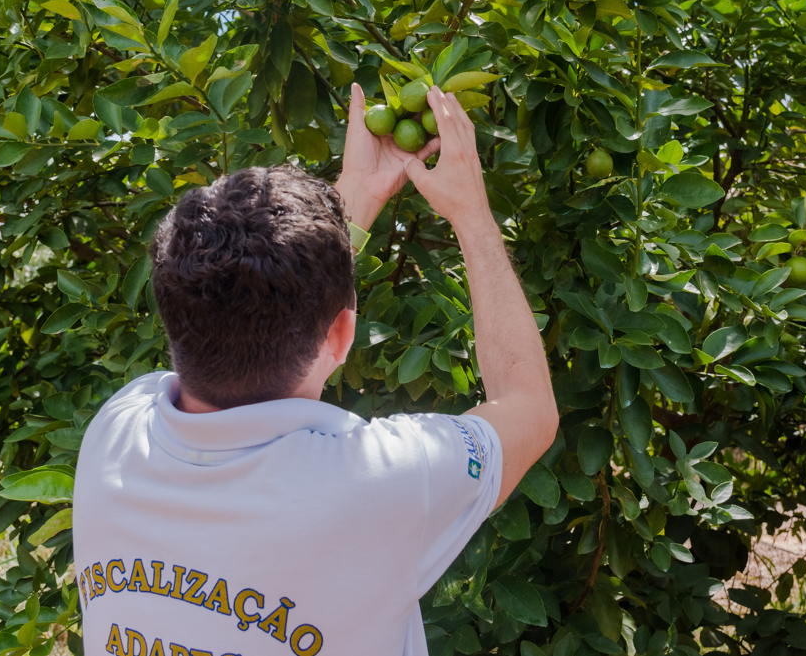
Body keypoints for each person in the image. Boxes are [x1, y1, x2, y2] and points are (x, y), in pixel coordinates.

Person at [72, 85, 558, 656]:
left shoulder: (115, 429)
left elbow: (233, 309)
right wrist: (473, 217)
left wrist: (356, 194)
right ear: (342, 334)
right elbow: (528, 407)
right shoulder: (384, 480)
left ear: (170, 313)